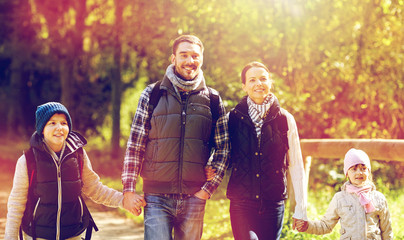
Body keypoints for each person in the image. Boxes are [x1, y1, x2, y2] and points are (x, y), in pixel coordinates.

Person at [121, 35, 229, 240]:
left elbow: (223, 148)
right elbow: (135, 145)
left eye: (195, 56)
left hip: (195, 197)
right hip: (156, 198)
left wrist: (208, 189)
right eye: (184, 55)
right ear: (173, 59)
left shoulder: (213, 99)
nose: (190, 61)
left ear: (202, 59)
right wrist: (128, 190)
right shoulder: (152, 94)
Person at [5, 102, 130, 240]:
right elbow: (16, 203)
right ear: (41, 129)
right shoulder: (27, 160)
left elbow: (95, 189)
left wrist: (123, 200)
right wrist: (10, 237)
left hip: (72, 234)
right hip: (38, 235)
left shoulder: (78, 155)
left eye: (64, 123)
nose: (59, 128)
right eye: (52, 123)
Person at [226, 61, 307, 240]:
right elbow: (221, 155)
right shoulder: (231, 118)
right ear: (244, 86)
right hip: (241, 202)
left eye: (263, 79)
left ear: (270, 83)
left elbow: (296, 165)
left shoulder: (285, 119)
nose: (258, 84)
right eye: (252, 80)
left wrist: (301, 208)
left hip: (273, 201)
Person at [295, 148, 393, 239]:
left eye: (363, 168)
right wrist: (307, 226)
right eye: (354, 169)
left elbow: (387, 230)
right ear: (347, 173)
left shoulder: (378, 198)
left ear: (369, 171)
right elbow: (325, 225)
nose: (359, 172)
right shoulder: (340, 198)